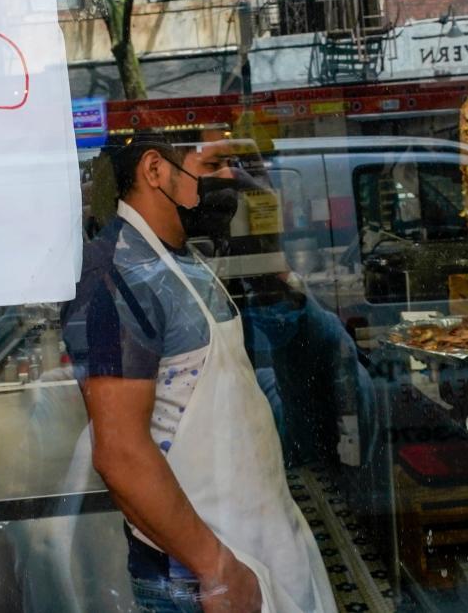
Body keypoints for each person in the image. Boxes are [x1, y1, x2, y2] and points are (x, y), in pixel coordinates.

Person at [61, 130, 337, 613]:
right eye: (211, 167)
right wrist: (214, 568)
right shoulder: (117, 276)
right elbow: (121, 452)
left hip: (261, 545)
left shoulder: (182, 259)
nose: (230, 178)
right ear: (154, 170)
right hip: (203, 575)